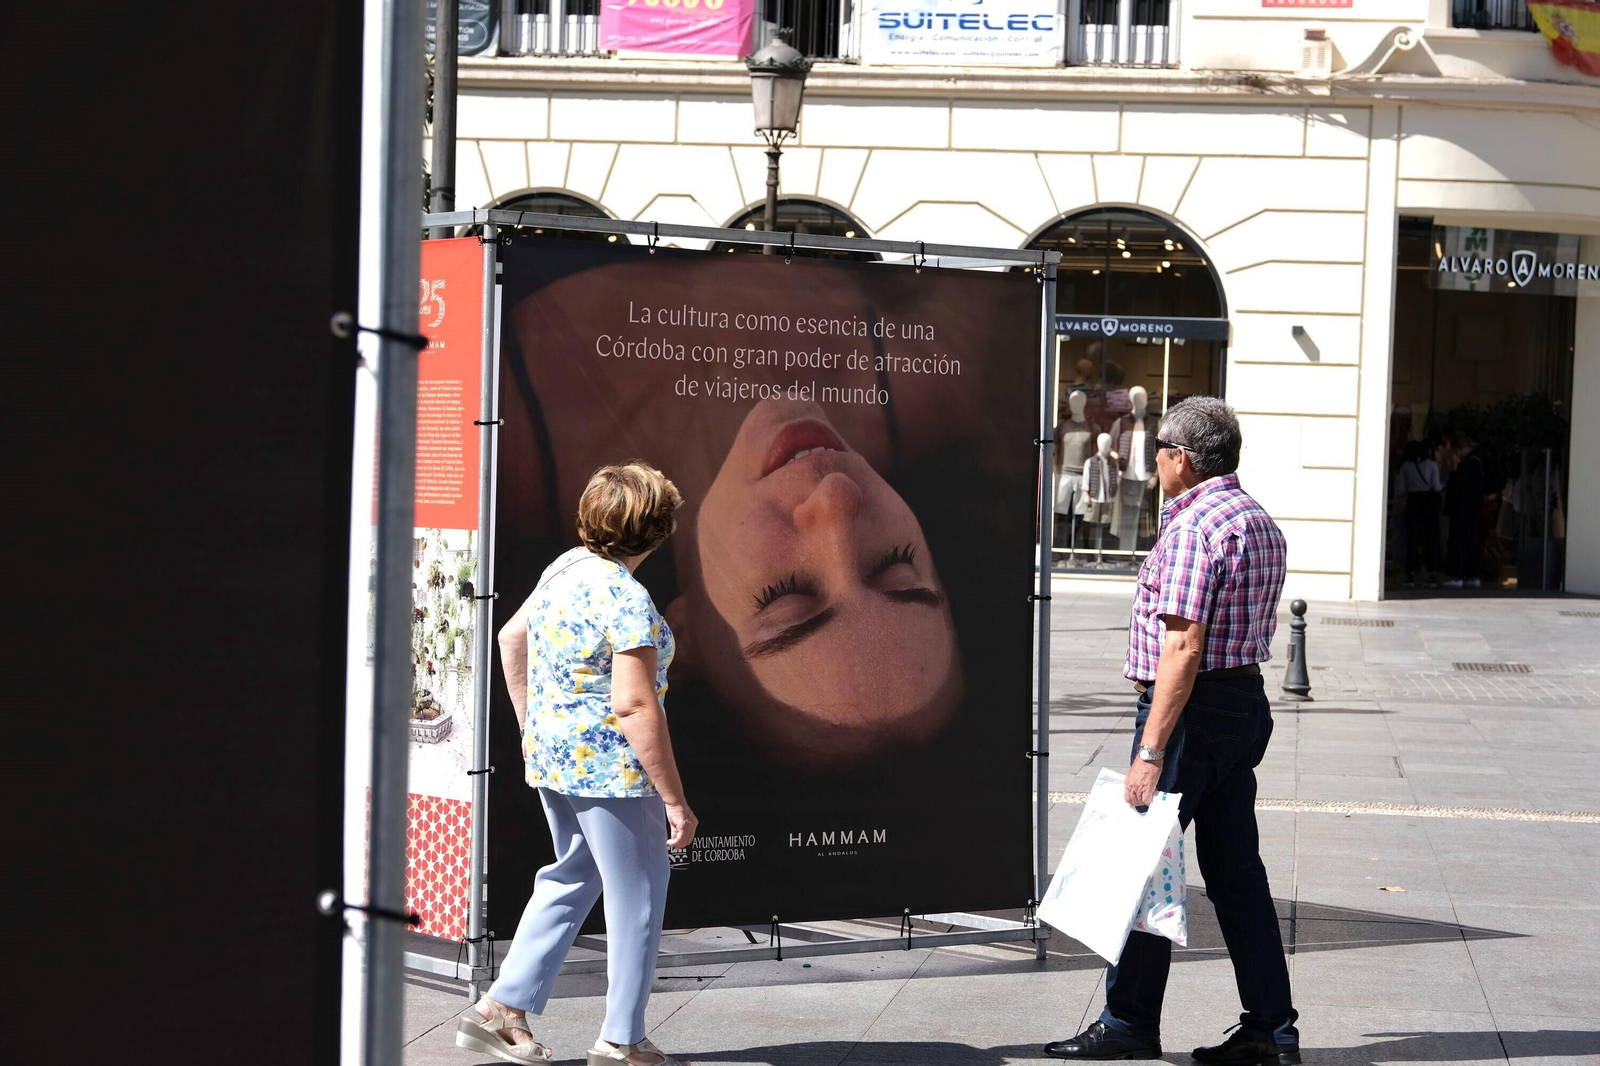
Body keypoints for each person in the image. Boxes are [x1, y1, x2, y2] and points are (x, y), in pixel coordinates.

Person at [1045, 397, 1300, 1066]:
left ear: (1180, 459)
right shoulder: (1257, 521)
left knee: (1138, 868)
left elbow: (1183, 648)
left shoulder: (1191, 530)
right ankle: (1272, 1029)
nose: (1154, 458)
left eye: (1159, 447)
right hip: (1241, 702)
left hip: (1186, 714)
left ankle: (1128, 1023)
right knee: (1237, 875)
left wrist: (1151, 751)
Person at [457, 463, 696, 1066]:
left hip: (555, 760)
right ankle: (621, 1040)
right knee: (637, 897)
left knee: (572, 874)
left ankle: (502, 1008)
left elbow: (513, 639)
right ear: (658, 530)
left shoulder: (565, 567)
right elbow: (635, 703)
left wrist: (532, 729)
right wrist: (674, 799)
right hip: (611, 773)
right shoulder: (628, 598)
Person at [665, 397, 963, 768]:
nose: (835, 494)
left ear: (677, 635)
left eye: (783, 596)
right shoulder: (924, 387)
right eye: (895, 565)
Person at [1441, 431, 1486, 589]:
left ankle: (1457, 574)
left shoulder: (1468, 464)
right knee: (1471, 542)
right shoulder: (1477, 463)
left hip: (1461, 511)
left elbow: (1458, 486)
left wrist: (1454, 468)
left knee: (1458, 542)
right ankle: (1471, 574)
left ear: (1458, 450)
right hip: (1472, 511)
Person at [1397, 439, 1444, 587]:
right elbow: (1436, 487)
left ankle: (1410, 573)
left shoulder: (1405, 466)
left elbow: (1401, 489)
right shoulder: (1432, 465)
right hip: (1428, 503)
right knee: (1431, 538)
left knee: (1412, 539)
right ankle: (1431, 574)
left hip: (1413, 503)